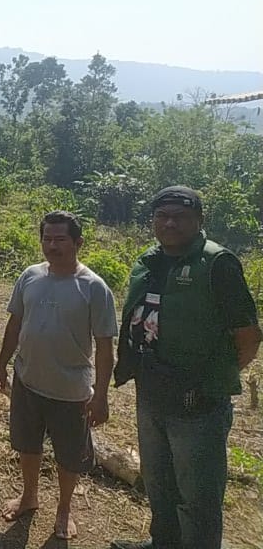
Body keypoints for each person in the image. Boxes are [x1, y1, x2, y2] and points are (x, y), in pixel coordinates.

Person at [110, 186, 261, 549]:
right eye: (162, 216)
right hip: (151, 392)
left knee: (198, 497)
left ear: (199, 220)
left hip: (198, 403)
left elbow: (248, 336)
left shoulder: (217, 264)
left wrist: (213, 378)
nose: (170, 223)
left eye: (180, 216)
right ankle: (162, 542)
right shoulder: (149, 260)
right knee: (158, 482)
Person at [0, 210, 117, 540]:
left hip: (71, 390)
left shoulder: (94, 288)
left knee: (69, 454)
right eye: (47, 239)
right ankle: (29, 496)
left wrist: (101, 396)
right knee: (27, 443)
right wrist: (1, 365)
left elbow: (105, 348)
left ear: (78, 243)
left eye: (60, 239)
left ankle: (64, 508)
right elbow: (14, 324)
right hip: (28, 380)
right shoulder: (30, 276)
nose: (52, 246)